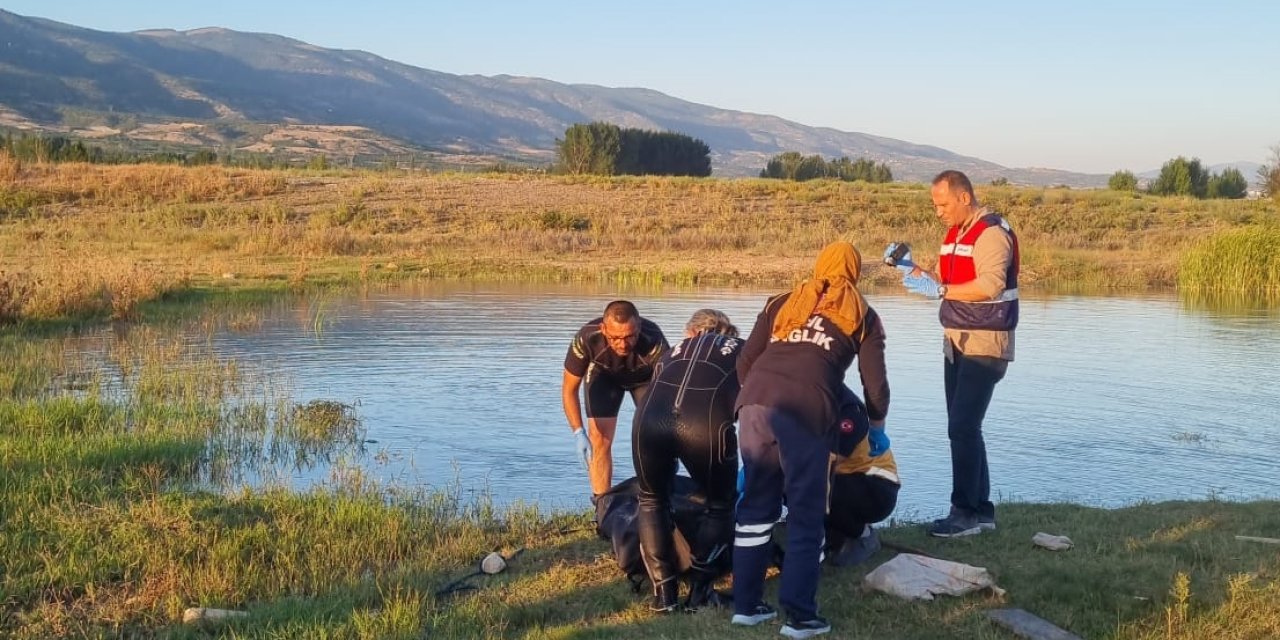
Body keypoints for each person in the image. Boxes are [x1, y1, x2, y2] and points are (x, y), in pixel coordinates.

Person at [732, 241, 890, 639]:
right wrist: (876, 426)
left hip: (753, 401)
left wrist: (757, 398)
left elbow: (745, 361)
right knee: (806, 514)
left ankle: (746, 606)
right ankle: (801, 617)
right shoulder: (862, 315)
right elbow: (876, 387)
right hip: (806, 410)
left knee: (755, 507)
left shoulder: (782, 302)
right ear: (854, 272)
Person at [890, 169, 1018, 538]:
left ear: (964, 197)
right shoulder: (956, 234)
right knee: (966, 427)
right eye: (934, 205)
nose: (938, 211)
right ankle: (982, 511)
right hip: (956, 340)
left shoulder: (992, 233)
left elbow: (990, 284)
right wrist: (914, 269)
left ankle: (963, 513)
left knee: (961, 426)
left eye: (943, 204)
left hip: (985, 341)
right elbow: (947, 282)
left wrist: (942, 291)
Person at [631, 309, 742, 613]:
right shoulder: (742, 349)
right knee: (720, 504)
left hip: (649, 419)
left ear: (690, 332)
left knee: (651, 500)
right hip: (704, 425)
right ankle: (701, 593)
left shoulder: (672, 351)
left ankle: (663, 597)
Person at [562, 300, 669, 499]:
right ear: (603, 329)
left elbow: (670, 389)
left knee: (654, 437)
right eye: (615, 338)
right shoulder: (587, 338)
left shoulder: (654, 338)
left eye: (630, 336)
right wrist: (578, 431)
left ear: (639, 327)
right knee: (599, 439)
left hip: (644, 379)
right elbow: (569, 390)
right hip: (603, 377)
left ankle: (656, 501)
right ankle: (601, 505)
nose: (622, 344)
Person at [825, 386, 899, 567]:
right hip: (849, 479)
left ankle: (864, 537)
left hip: (878, 486)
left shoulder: (848, 412)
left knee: (810, 488)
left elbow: (823, 464)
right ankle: (836, 536)